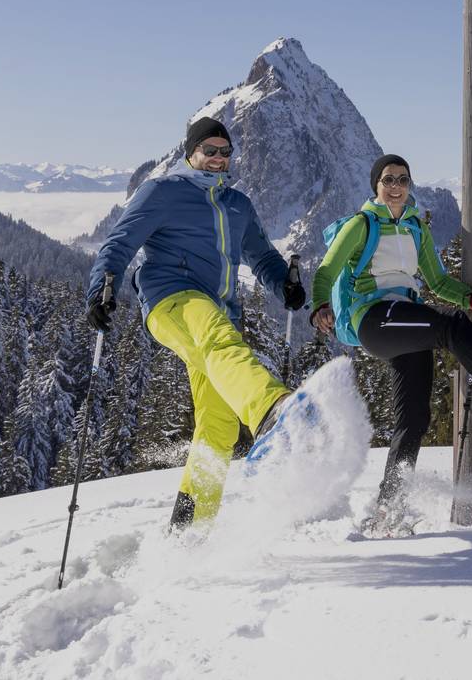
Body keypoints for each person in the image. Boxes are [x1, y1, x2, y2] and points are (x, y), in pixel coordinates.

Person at [86, 116, 307, 529]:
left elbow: (261, 256)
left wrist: (284, 284)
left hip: (219, 310)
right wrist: (102, 288)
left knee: (218, 427)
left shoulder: (237, 204)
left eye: (225, 152)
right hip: (170, 298)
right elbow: (120, 242)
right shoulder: (163, 191)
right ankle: (273, 411)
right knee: (218, 335)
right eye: (209, 151)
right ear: (191, 153)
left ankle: (188, 531)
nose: (218, 159)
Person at [309, 153, 472, 533]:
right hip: (373, 317)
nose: (396, 186)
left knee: (414, 419)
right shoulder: (361, 224)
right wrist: (319, 304)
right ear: (376, 185)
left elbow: (436, 282)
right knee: (449, 327)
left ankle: (389, 510)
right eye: (388, 179)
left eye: (403, 179)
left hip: (403, 317)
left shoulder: (415, 228)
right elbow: (328, 267)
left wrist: (467, 298)